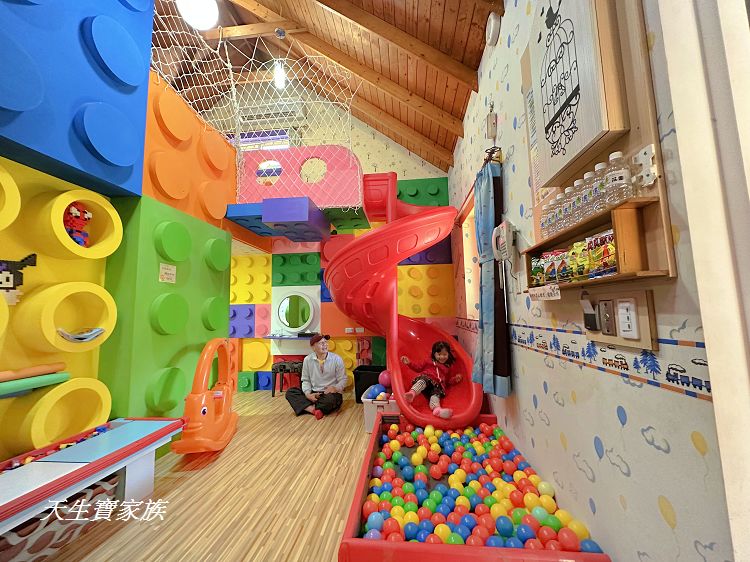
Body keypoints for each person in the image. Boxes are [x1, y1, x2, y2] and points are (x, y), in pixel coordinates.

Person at [285, 333, 347, 420]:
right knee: (291, 392)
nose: (325, 345)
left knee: (331, 400)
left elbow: (343, 379)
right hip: (313, 392)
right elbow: (306, 380)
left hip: (330, 394)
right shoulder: (307, 360)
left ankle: (307, 407)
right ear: (313, 347)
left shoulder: (337, 359)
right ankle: (315, 410)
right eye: (321, 343)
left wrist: (335, 388)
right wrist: (307, 394)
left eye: (325, 342)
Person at [401, 340, 463, 419]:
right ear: (434, 354)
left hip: (437, 386)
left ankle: (437, 410)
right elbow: (418, 368)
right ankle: (412, 393)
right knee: (423, 380)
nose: (442, 357)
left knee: (435, 395)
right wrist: (409, 363)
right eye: (439, 354)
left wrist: (455, 379)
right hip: (426, 379)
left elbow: (447, 381)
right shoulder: (429, 361)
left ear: (448, 354)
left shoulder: (447, 367)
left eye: (445, 354)